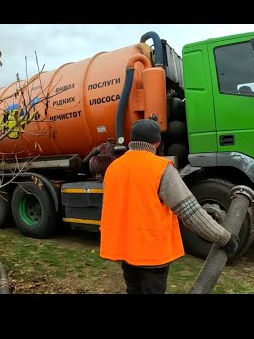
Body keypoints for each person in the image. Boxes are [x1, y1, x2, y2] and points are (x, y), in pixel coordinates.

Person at [99, 119, 239, 294]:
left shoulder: (113, 168)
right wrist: (223, 238)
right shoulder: (161, 169)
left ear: (131, 141)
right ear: (156, 143)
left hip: (126, 251)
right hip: (152, 254)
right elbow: (191, 213)